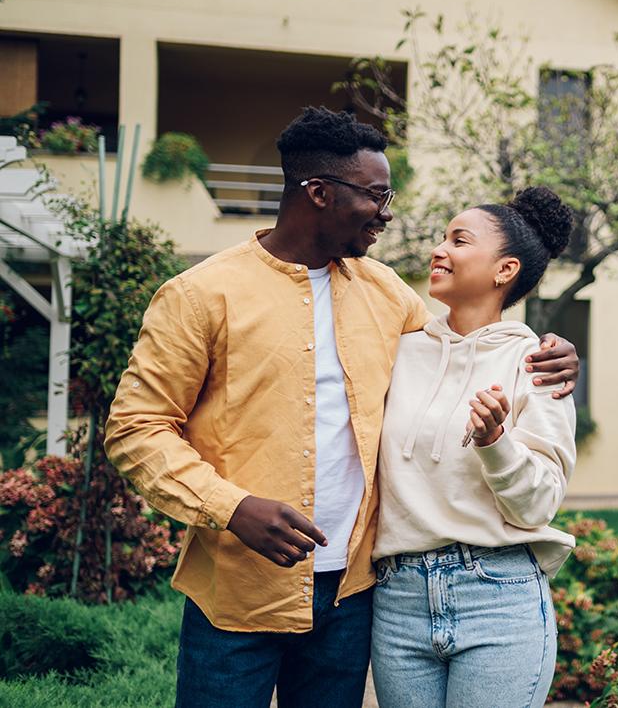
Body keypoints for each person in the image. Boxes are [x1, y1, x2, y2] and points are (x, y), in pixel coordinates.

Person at [103, 107, 578, 708]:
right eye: (376, 194)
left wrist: (553, 353)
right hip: (238, 592)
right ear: (319, 192)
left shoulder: (387, 295)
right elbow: (135, 429)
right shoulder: (200, 295)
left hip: (353, 599)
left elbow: (466, 343)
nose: (387, 211)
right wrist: (233, 507)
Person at [371, 186, 577, 708]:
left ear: (504, 270)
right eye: (443, 238)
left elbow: (540, 504)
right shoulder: (398, 349)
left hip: (497, 596)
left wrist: (495, 443)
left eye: (459, 240)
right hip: (398, 599)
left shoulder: (538, 364)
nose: (440, 250)